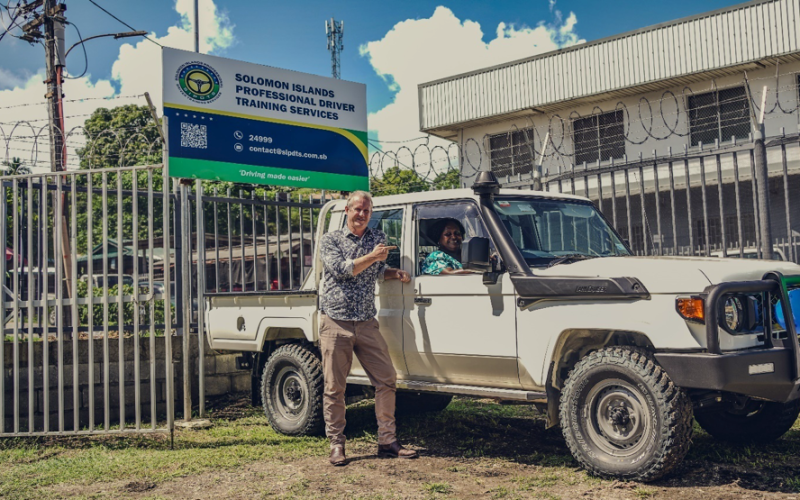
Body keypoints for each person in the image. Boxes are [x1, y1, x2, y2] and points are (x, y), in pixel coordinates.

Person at [318, 190, 416, 466]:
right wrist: (374, 258)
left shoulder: (377, 238)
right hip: (336, 321)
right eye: (357, 209)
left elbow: (375, 270)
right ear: (347, 211)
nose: (362, 214)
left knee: (386, 379)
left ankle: (387, 440)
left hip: (366, 322)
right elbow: (342, 270)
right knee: (335, 388)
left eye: (367, 210)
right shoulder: (331, 240)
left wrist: (392, 272)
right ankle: (337, 445)